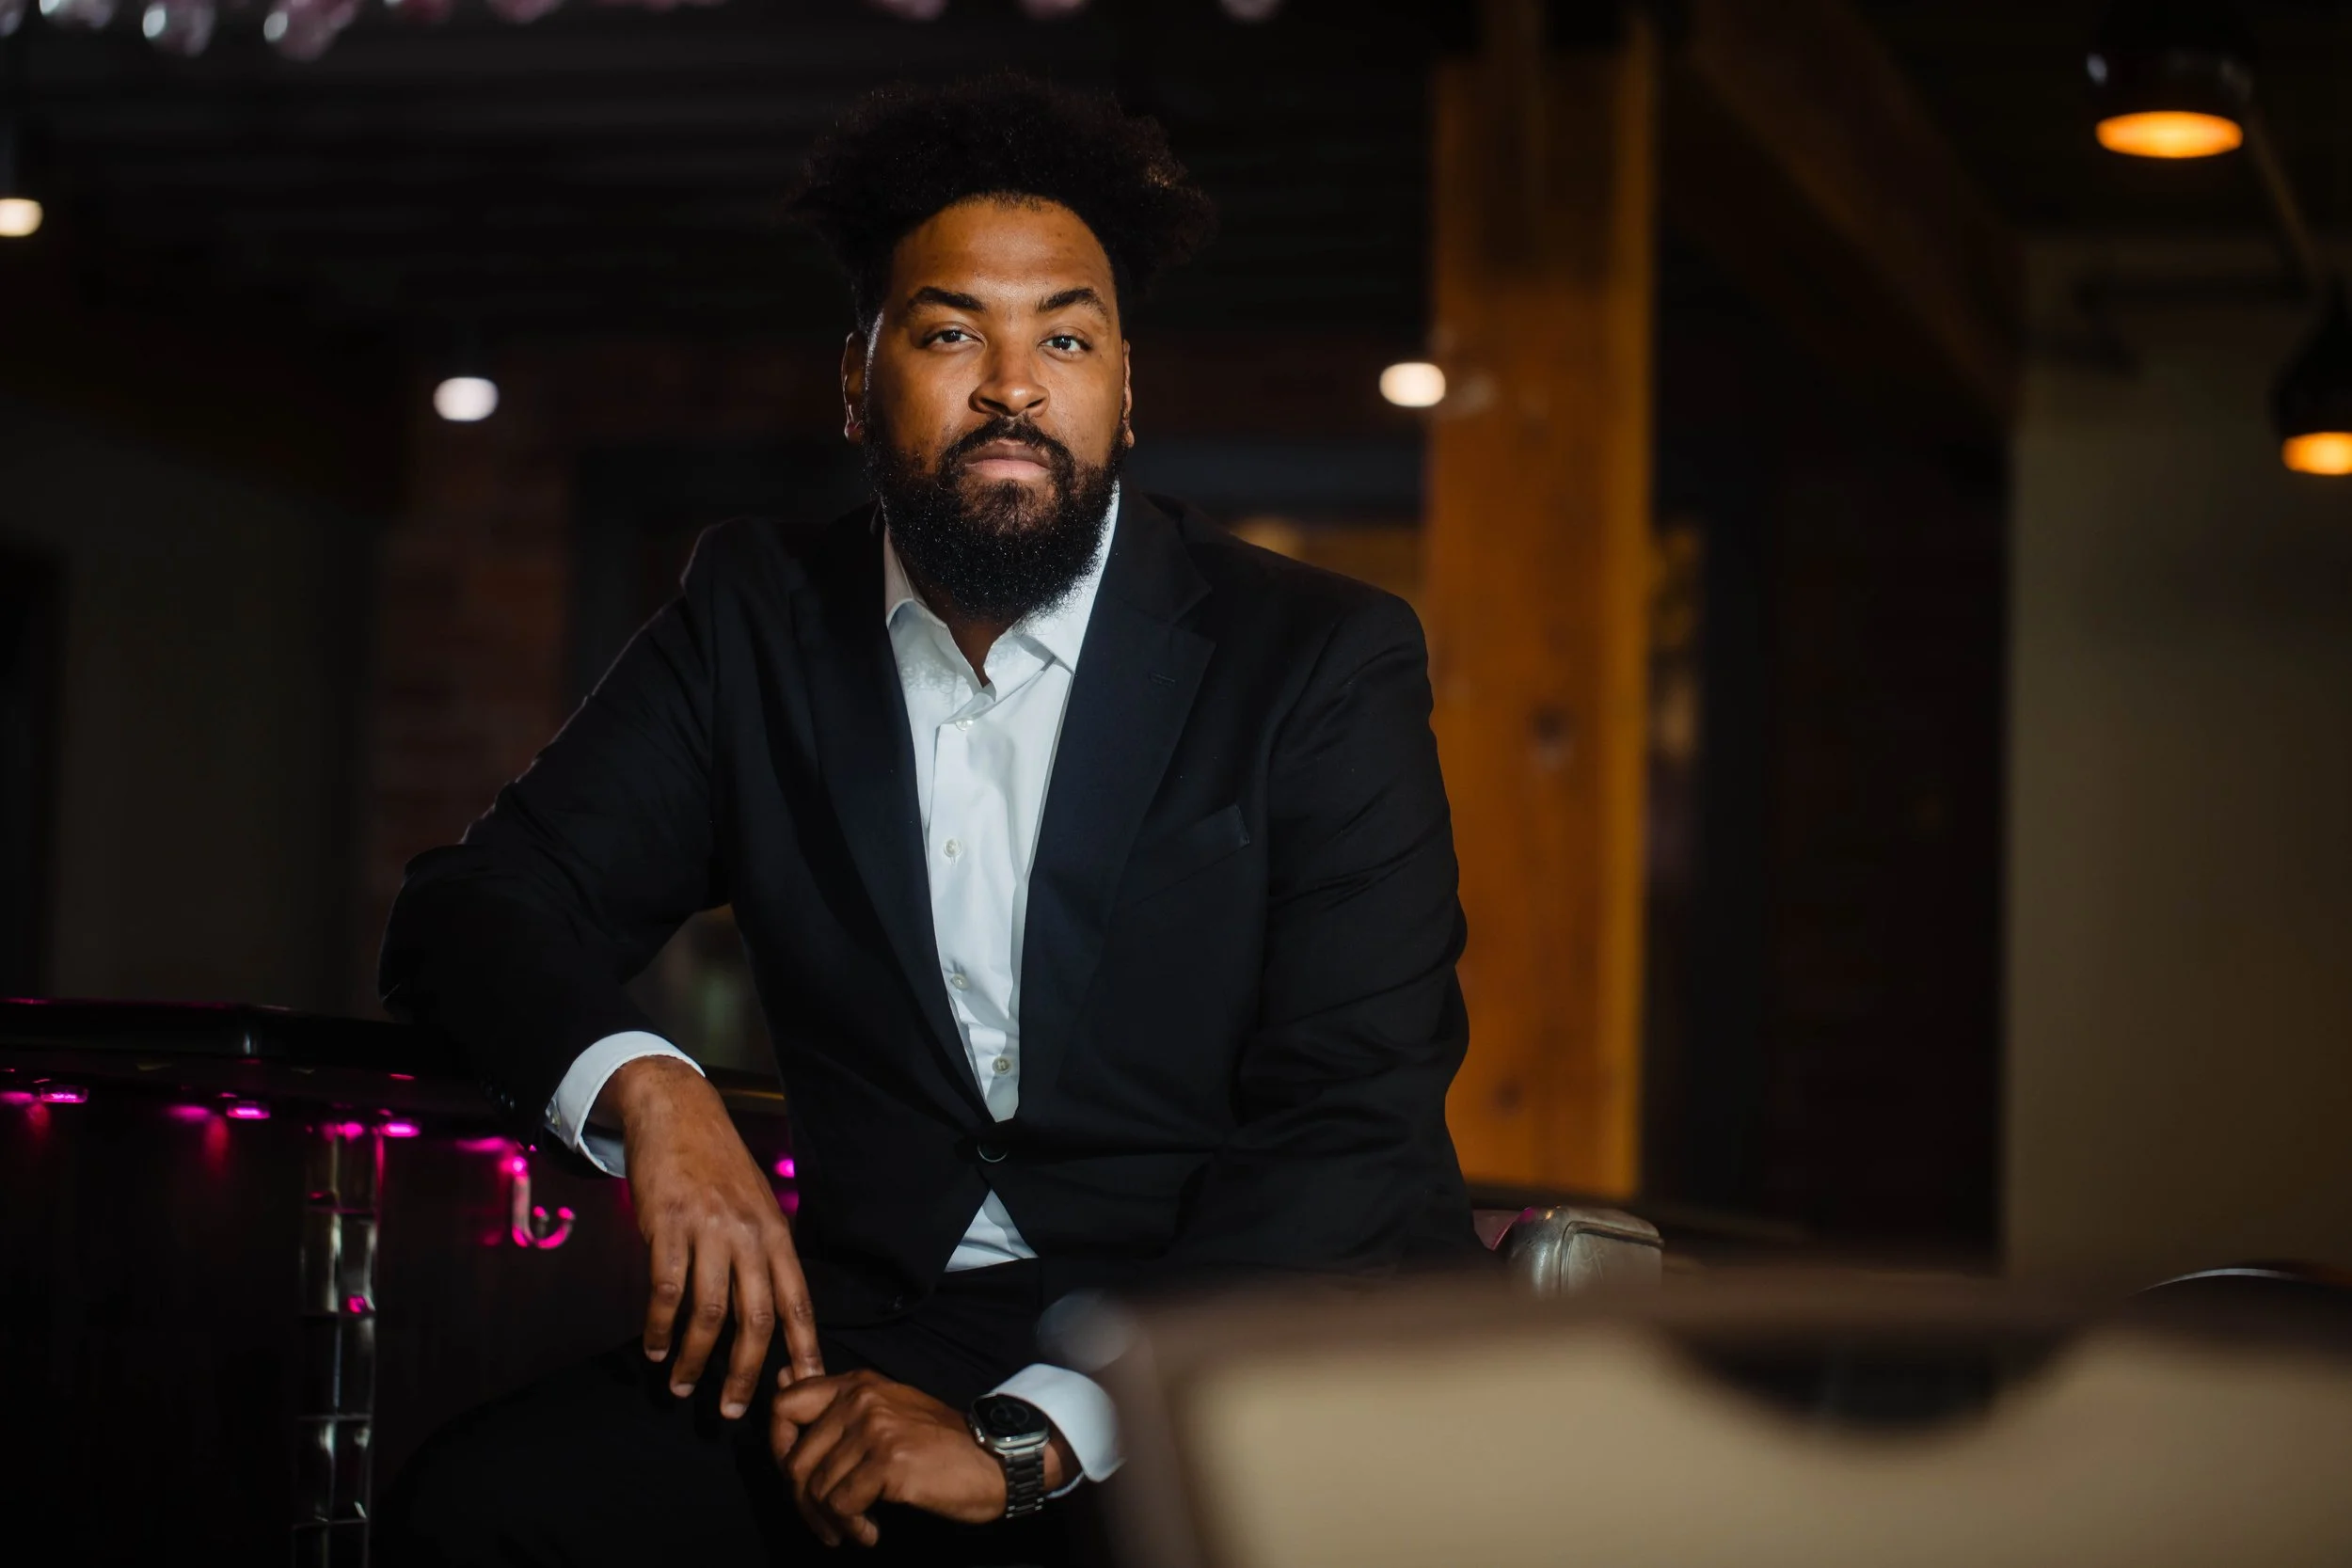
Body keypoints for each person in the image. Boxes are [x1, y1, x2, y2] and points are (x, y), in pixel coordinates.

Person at [376, 74, 1481, 1567]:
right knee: (487, 1508)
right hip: (881, 1323)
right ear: (857, 380)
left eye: (1066, 339)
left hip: (1238, 1330)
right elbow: (471, 911)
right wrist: (649, 1085)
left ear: (1126, 391)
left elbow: (1353, 1125)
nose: (1013, 386)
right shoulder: (758, 619)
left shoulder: (1318, 659)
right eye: (953, 332)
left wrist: (1030, 1434)